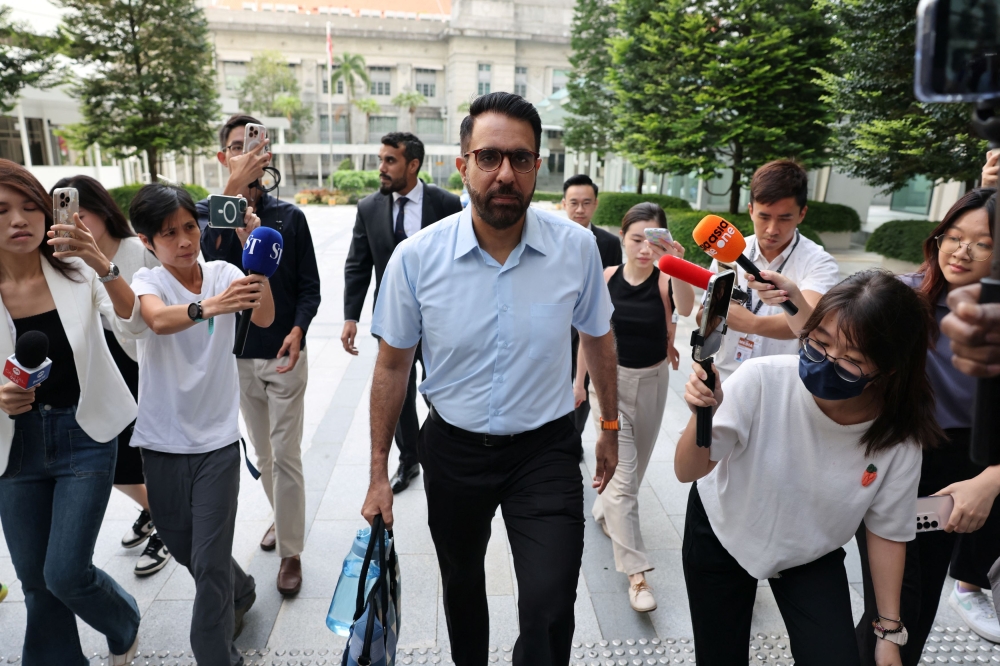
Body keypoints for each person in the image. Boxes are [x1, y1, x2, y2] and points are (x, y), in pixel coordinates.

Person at [360, 92, 619, 666]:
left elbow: (599, 336)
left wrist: (608, 424)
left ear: (536, 167)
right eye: (489, 157)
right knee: (462, 589)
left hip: (544, 450)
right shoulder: (417, 258)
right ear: (462, 164)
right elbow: (392, 366)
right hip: (452, 449)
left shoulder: (575, 249)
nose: (505, 173)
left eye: (521, 159)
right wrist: (379, 472)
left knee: (551, 606)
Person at [754, 190, 1000, 655]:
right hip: (894, 452)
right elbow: (837, 348)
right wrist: (792, 301)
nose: (961, 251)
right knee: (901, 604)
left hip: (964, 470)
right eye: (953, 236)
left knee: (916, 605)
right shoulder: (903, 297)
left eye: (982, 243)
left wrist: (989, 481)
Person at [678, 269, 942, 666]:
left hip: (810, 551)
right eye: (818, 344)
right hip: (722, 530)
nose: (826, 363)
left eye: (852, 362)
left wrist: (888, 631)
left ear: (889, 370)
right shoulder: (760, 380)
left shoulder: (898, 438)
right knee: (719, 655)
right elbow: (688, 471)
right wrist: (701, 415)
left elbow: (888, 531)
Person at [0, 160, 143, 665]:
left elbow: (135, 331)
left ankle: (122, 620)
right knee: (36, 584)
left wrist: (103, 263)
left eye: (29, 206)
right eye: (1, 210)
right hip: (12, 446)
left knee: (64, 572)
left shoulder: (79, 269)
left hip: (83, 433)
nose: (19, 219)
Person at [125, 183, 273, 666]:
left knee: (209, 560)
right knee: (185, 546)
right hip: (162, 440)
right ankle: (242, 588)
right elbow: (156, 321)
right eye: (170, 233)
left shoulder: (226, 272)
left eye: (191, 226)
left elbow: (265, 316)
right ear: (148, 242)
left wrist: (259, 262)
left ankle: (215, 655)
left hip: (217, 441)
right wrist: (209, 306)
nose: (186, 240)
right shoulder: (150, 282)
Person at [199, 114, 321, 596]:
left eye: (254, 147)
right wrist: (231, 191)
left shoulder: (290, 217)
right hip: (235, 357)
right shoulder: (206, 214)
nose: (246, 154)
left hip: (284, 354)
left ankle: (291, 550)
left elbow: (309, 287)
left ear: (267, 154)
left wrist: (299, 328)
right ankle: (282, 517)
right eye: (235, 147)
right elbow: (204, 263)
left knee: (286, 453)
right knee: (266, 454)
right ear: (222, 156)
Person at [574, 202, 693, 613]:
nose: (645, 248)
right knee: (623, 474)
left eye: (654, 240)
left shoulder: (665, 280)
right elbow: (588, 336)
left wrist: (675, 264)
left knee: (634, 469)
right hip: (608, 386)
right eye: (637, 238)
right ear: (622, 237)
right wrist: (578, 383)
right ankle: (637, 576)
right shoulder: (606, 278)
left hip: (653, 382)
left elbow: (688, 307)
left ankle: (608, 508)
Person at [51, 175, 169, 577]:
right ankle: (157, 511)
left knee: (146, 455)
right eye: (67, 217)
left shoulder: (138, 250)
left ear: (102, 212)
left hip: (145, 363)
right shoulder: (63, 259)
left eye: (81, 215)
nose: (75, 225)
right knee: (112, 459)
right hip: (99, 369)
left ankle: (166, 526)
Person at [342, 131, 462, 494]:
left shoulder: (446, 203)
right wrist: (351, 316)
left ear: (413, 164)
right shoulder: (368, 208)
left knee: (442, 388)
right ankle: (409, 459)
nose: (381, 168)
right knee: (398, 392)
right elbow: (357, 265)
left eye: (389, 160)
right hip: (393, 318)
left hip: (441, 319)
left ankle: (447, 450)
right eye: (381, 160)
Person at [710, 160, 840, 382]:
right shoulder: (727, 252)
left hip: (782, 385)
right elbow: (703, 316)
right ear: (750, 210)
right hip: (725, 377)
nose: (772, 229)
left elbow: (810, 322)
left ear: (802, 214)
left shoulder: (819, 262)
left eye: (784, 218)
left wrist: (753, 324)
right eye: (764, 216)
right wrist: (713, 313)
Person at [563, 174, 622, 435]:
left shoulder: (608, 243)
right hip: (559, 324)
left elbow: (612, 289)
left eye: (586, 203)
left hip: (591, 325)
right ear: (563, 203)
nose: (580, 209)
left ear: (595, 204)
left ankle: (573, 439)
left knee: (583, 384)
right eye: (573, 202)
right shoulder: (552, 239)